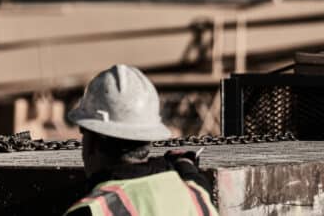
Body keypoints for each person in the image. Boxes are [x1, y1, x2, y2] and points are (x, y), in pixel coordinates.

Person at [64, 65, 218, 216]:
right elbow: (195, 181)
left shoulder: (93, 210)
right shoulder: (196, 196)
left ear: (93, 142)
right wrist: (185, 166)